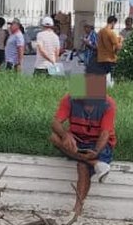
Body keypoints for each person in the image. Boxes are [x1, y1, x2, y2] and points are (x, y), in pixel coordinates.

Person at [49, 72, 117, 216]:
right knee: (55, 137)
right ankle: (96, 163)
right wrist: (65, 134)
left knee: (82, 166)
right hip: (77, 139)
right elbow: (55, 122)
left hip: (97, 142)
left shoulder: (108, 104)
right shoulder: (69, 99)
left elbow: (105, 133)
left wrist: (97, 151)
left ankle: (77, 209)